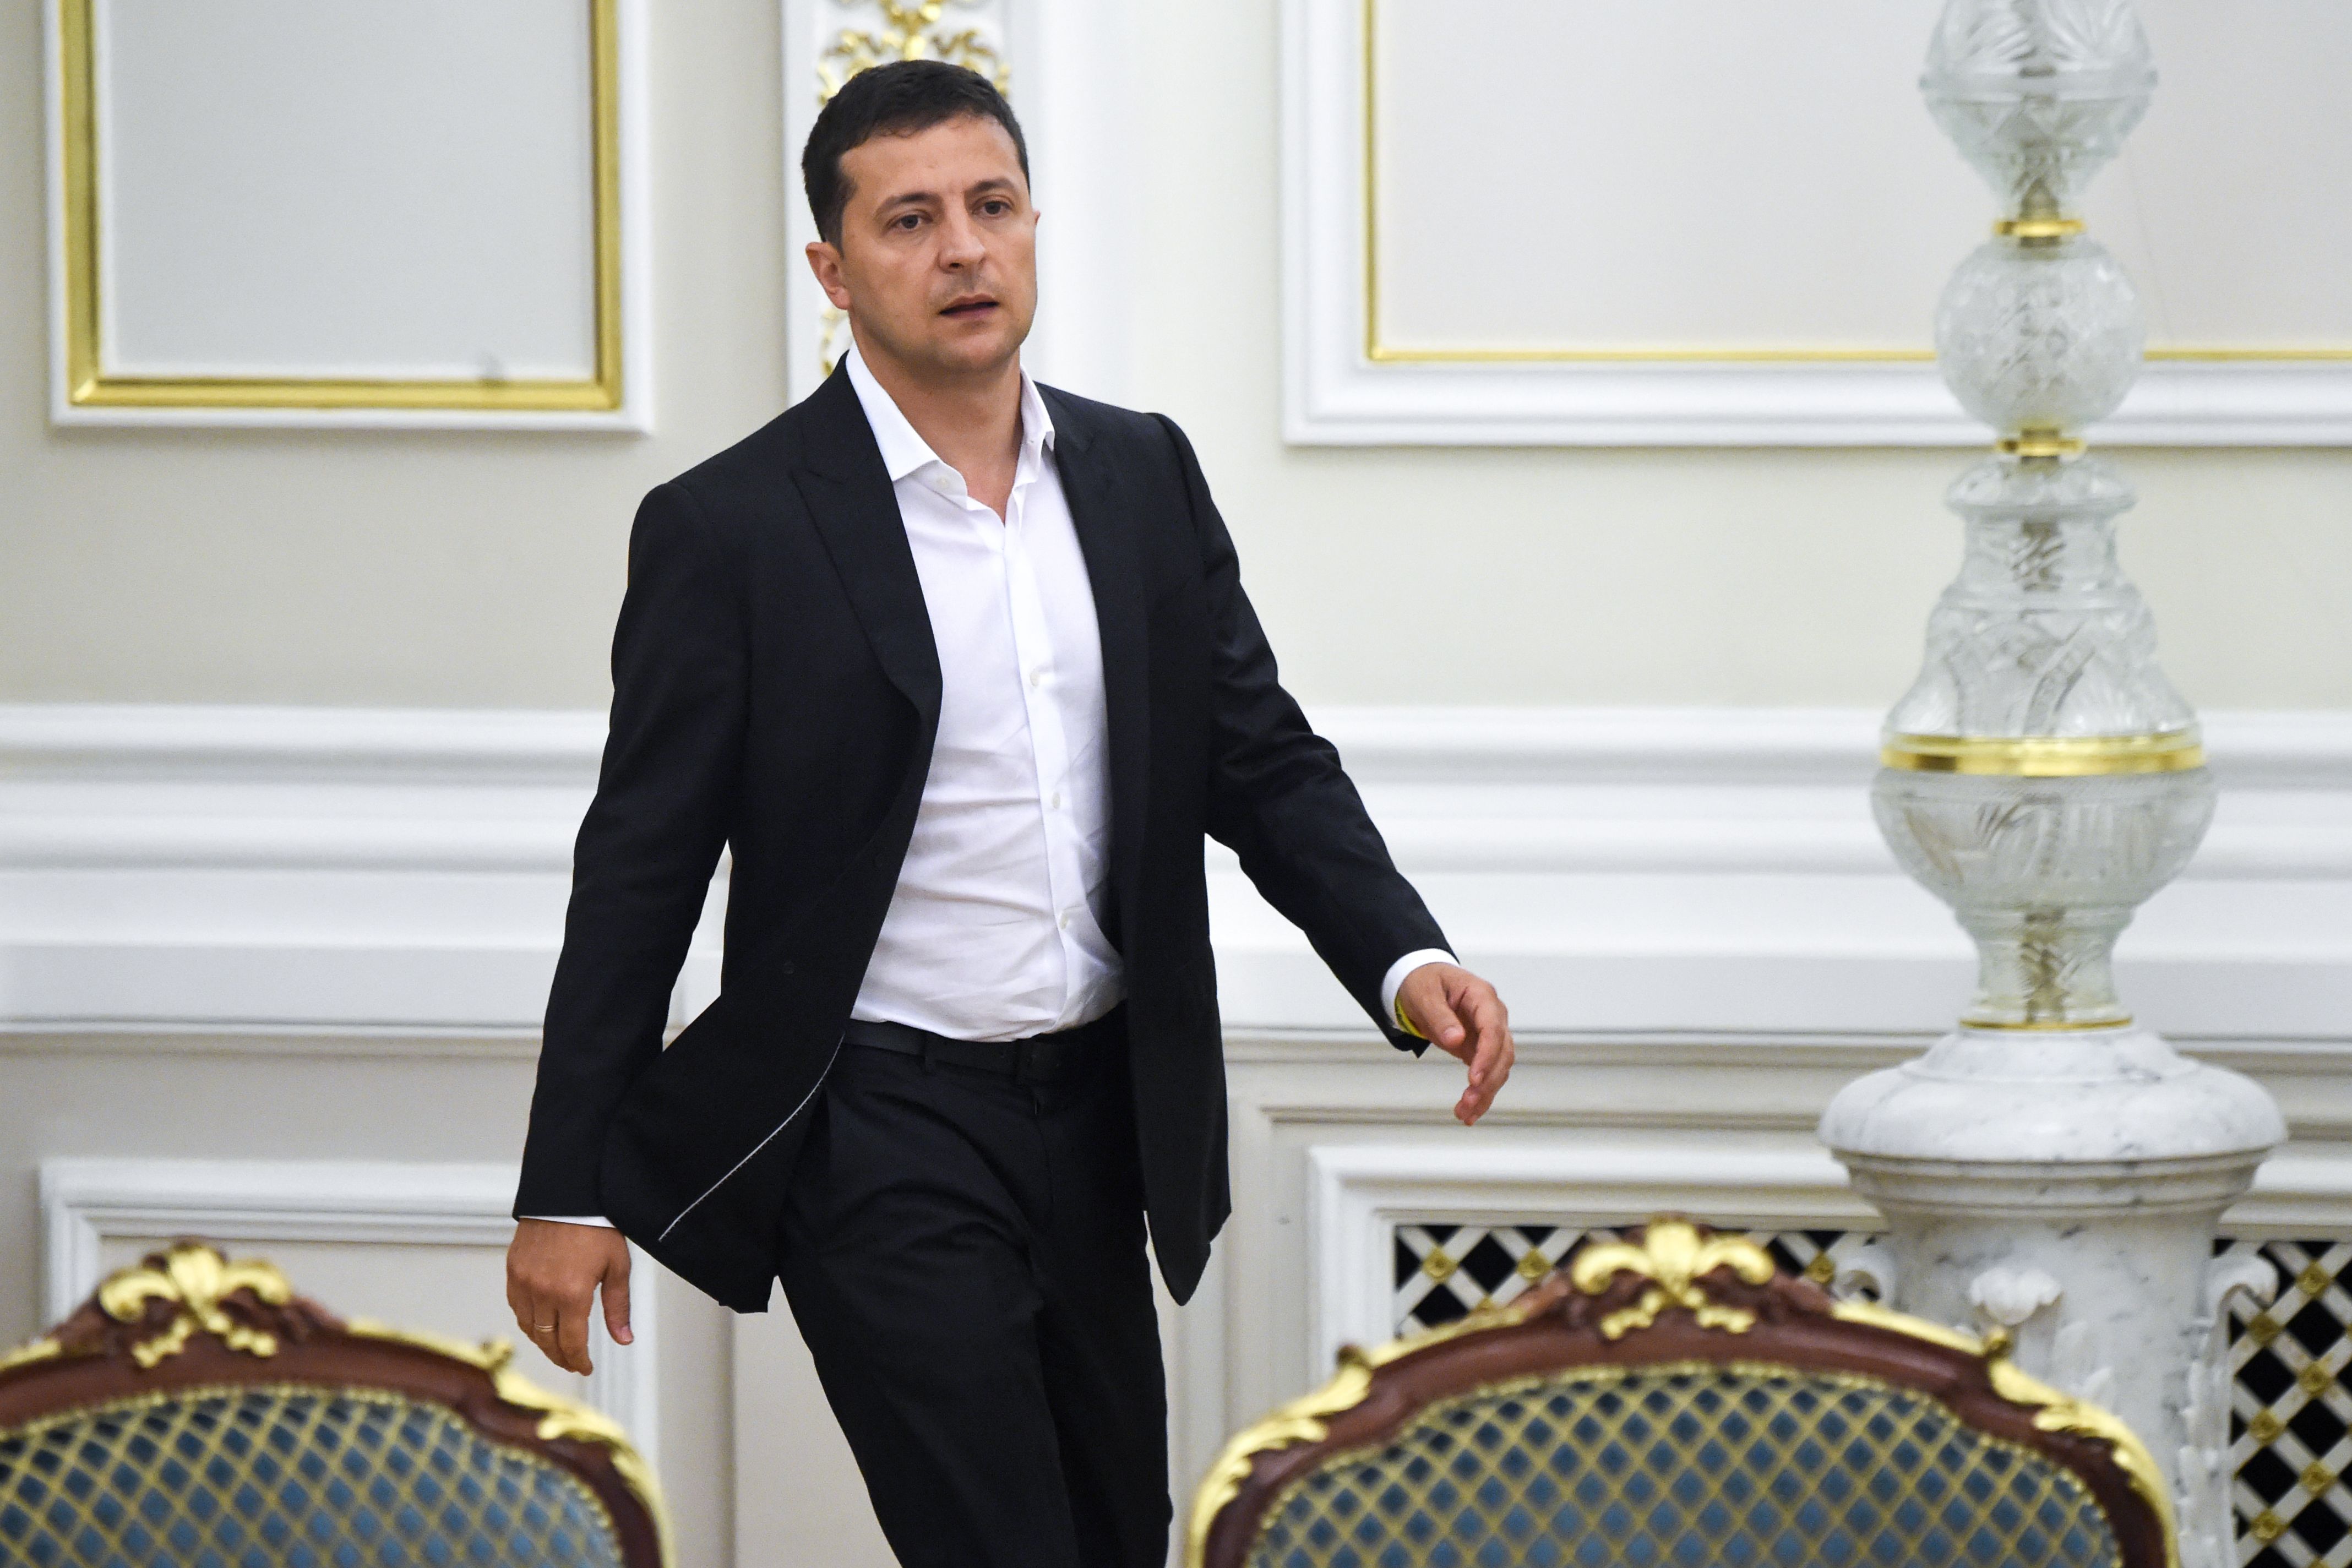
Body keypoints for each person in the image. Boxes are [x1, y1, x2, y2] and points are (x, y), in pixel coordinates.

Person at [504, 58, 1515, 1568]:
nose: (964, 249)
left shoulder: (1140, 474)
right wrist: (565, 1184)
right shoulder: (731, 531)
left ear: (1034, 223)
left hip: (1106, 1111)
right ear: (833, 273)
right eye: (910, 221)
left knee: (1116, 1533)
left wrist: (1397, 954)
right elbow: (639, 873)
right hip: (878, 1127)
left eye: (992, 206)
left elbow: (1259, 754)